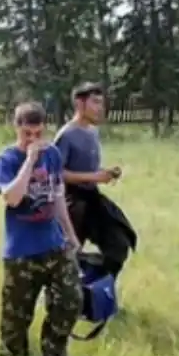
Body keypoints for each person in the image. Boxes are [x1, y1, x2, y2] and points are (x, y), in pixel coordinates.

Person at [0, 101, 82, 356]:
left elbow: (58, 197)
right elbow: (12, 198)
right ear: (16, 127)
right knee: (17, 314)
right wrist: (30, 160)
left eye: (38, 134)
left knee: (70, 301)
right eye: (27, 134)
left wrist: (71, 235)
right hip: (21, 251)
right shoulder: (6, 159)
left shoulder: (52, 154)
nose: (33, 139)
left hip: (54, 243)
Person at [54, 83, 137, 280]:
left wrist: (106, 173)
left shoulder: (93, 132)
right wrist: (94, 177)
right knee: (67, 254)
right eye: (95, 102)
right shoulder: (66, 135)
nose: (100, 108)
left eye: (102, 103)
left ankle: (94, 286)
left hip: (92, 197)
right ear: (79, 103)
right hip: (70, 200)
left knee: (119, 244)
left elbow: (89, 169)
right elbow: (56, 173)